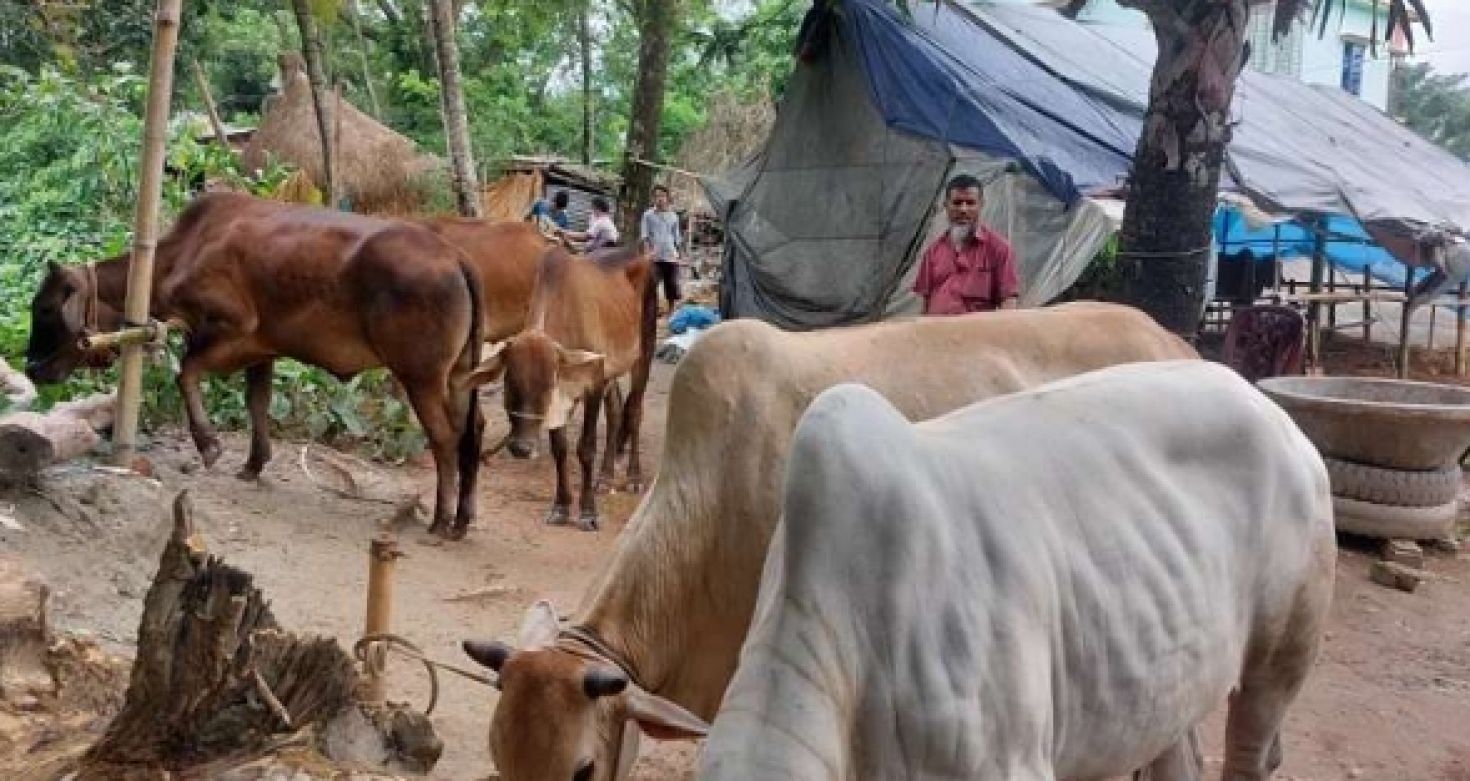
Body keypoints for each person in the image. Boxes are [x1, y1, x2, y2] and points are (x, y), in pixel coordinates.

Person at [912, 174, 1019, 315]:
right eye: (957, 203)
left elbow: (1008, 302)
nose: (963, 209)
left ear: (981, 205)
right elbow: (924, 303)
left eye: (970, 203)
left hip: (978, 335)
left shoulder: (999, 249)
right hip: (937, 333)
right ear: (946, 205)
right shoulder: (933, 252)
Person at [641, 184, 684, 311]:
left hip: (670, 255)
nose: (659, 199)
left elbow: (677, 237)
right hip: (655, 256)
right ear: (653, 199)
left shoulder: (673, 216)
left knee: (671, 284)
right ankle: (652, 308)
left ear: (667, 198)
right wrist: (647, 252)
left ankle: (671, 310)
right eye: (656, 196)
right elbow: (645, 235)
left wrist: (680, 255)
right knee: (651, 283)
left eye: (662, 196)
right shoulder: (648, 215)